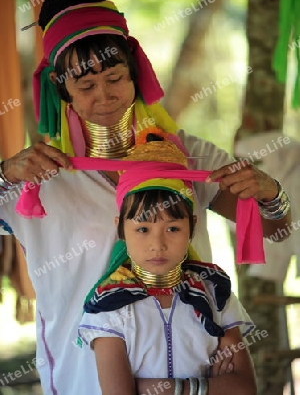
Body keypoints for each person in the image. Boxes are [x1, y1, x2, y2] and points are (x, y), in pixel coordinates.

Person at [0, 0, 290, 394]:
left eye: (115, 77)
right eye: (85, 86)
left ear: (136, 72)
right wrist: (4, 175)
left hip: (197, 379)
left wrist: (271, 195)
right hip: (78, 382)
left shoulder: (188, 156)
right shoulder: (34, 177)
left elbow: (275, 230)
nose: (104, 95)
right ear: (61, 90)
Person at [78, 130, 257, 395]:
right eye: (143, 229)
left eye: (172, 228)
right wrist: (208, 387)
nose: (158, 244)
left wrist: (155, 389)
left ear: (192, 226)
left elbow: (243, 389)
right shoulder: (109, 306)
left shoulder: (214, 292)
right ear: (121, 230)